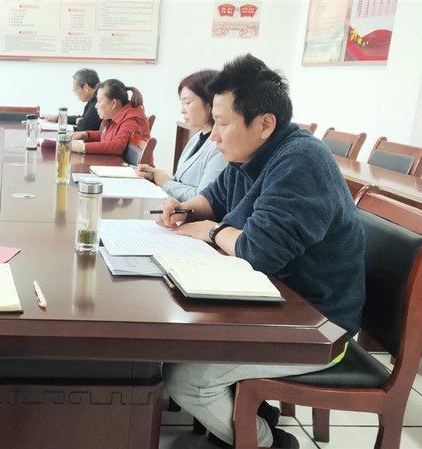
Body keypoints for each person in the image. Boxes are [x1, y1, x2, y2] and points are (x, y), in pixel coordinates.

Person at [157, 54, 365, 449]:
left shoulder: (300, 161)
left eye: (223, 123)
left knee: (186, 379)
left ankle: (270, 442)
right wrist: (184, 209)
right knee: (180, 340)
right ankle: (248, 418)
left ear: (265, 123)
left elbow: (258, 251)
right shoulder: (251, 152)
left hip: (319, 325)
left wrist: (213, 230)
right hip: (270, 302)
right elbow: (213, 199)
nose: (214, 136)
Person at [136, 70, 227, 201]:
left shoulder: (221, 147)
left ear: (210, 104)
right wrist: (156, 176)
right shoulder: (198, 136)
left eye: (187, 103)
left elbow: (204, 199)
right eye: (182, 103)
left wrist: (166, 183)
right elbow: (182, 182)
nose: (182, 110)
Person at [70, 79, 151, 163]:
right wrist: (86, 135)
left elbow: (117, 146)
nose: (96, 106)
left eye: (99, 101)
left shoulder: (131, 120)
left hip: (133, 170)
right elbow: (110, 136)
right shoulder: (119, 115)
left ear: (113, 103)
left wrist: (82, 147)